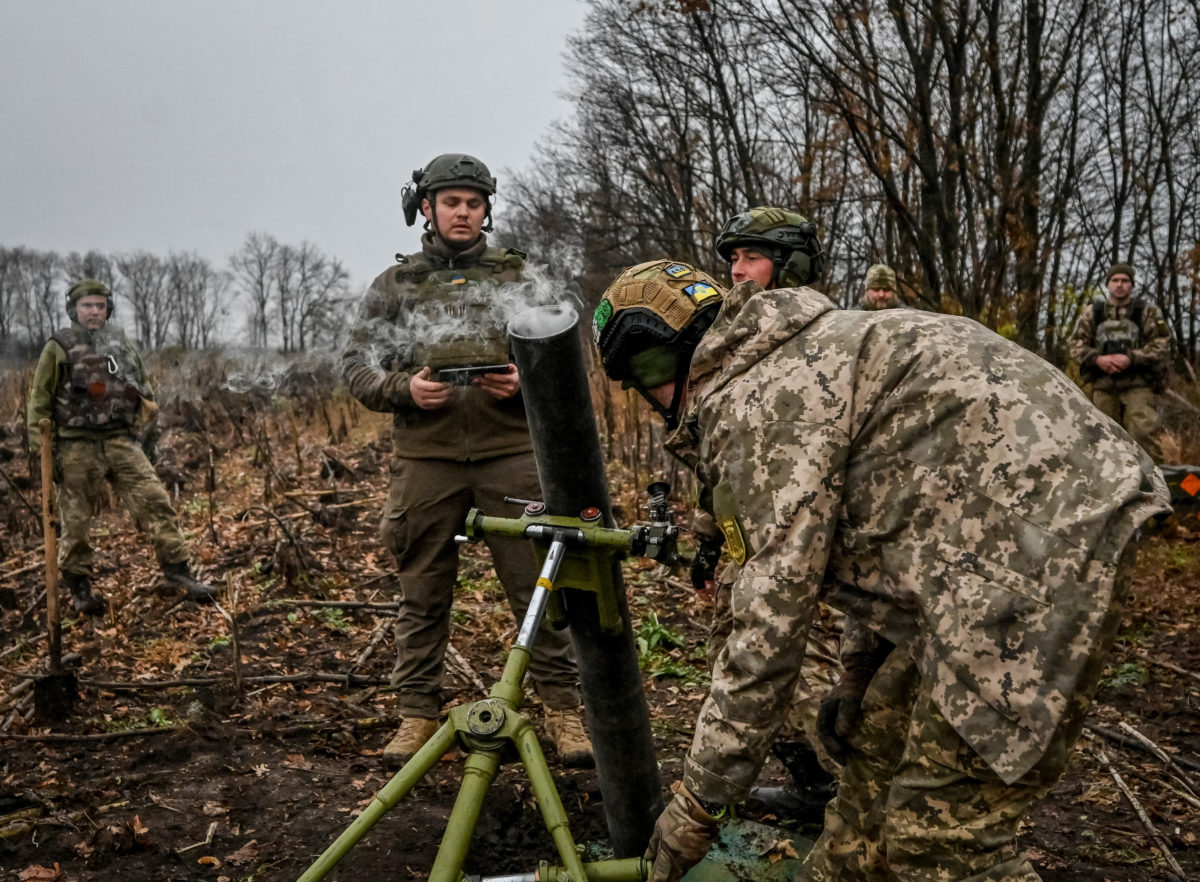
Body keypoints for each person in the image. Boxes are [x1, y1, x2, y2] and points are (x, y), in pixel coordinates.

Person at [592, 256, 1169, 882]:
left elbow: (770, 624)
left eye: (649, 369)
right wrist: (859, 669)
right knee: (867, 792)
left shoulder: (763, 402)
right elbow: (899, 526)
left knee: (940, 843)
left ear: (691, 345)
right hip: (984, 554)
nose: (652, 397)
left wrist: (699, 805)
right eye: (636, 379)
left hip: (1041, 554)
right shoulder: (794, 354)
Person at [341, 153, 592, 770]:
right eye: (450, 201)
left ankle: (561, 708)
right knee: (422, 589)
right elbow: (354, 365)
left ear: (486, 211)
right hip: (426, 456)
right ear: (425, 207)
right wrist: (404, 391)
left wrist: (523, 382)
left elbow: (566, 361)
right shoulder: (393, 287)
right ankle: (417, 712)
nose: (462, 212)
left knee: (538, 587)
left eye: (473, 203)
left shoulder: (519, 279)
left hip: (511, 453)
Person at [704, 207, 844, 815]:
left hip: (803, 534)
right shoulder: (738, 339)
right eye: (732, 259)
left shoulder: (824, 338)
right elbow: (722, 449)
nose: (737, 273)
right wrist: (709, 532)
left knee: (804, 668)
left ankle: (853, 795)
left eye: (751, 258)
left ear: (792, 266)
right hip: (746, 528)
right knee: (728, 646)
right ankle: (813, 786)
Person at [27, 279, 216, 615]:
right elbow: (39, 404)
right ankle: (80, 588)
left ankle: (177, 572)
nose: (94, 312)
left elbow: (144, 393)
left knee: (156, 502)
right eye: (87, 306)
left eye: (100, 305)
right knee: (76, 519)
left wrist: (149, 439)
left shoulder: (121, 343)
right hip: (75, 444)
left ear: (108, 309)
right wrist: (44, 454)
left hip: (120, 440)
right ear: (74, 309)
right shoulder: (58, 346)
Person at [1069, 262, 1171, 462]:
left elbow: (1162, 344)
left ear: (1132, 284)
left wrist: (1130, 358)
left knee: (1145, 435)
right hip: (1103, 387)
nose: (1120, 284)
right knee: (1103, 440)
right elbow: (1076, 344)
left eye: (1125, 280)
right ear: (1108, 284)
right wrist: (1098, 359)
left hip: (1139, 386)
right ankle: (1108, 490)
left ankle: (1154, 487)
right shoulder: (1093, 313)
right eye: (1115, 280)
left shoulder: (1148, 312)